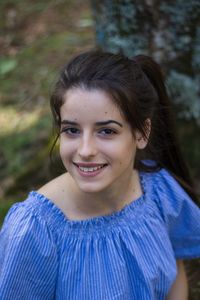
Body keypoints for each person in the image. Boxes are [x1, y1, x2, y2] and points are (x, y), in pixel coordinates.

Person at [0, 50, 199, 300]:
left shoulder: (158, 192)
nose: (85, 150)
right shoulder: (35, 230)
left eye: (106, 131)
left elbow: (175, 273)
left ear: (141, 133)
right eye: (71, 130)